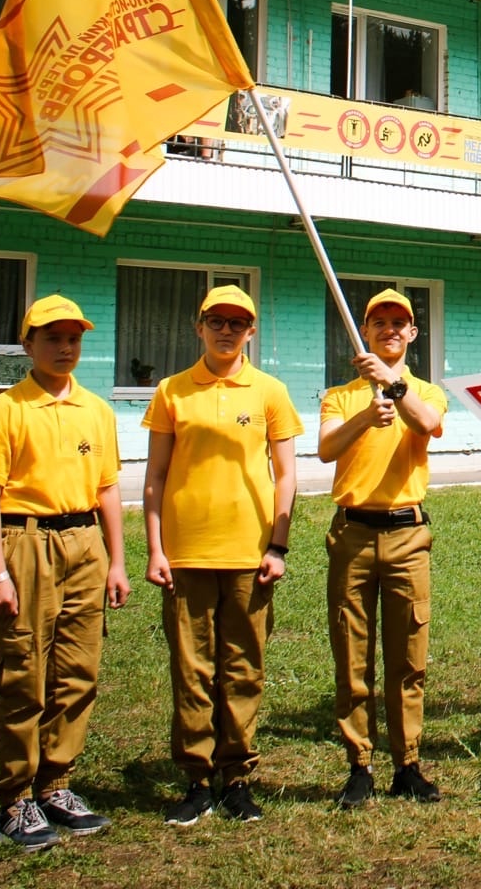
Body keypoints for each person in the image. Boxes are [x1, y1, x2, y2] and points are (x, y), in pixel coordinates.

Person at [0, 295, 129, 851]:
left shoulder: (96, 410)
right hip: (25, 542)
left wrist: (117, 560)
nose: (64, 348)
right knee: (24, 670)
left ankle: (57, 784)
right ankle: (15, 799)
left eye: (74, 338)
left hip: (84, 544)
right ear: (28, 344)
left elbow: (107, 488)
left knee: (79, 669)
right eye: (52, 338)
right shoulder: (7, 409)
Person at [142, 285, 301, 827]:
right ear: (199, 326)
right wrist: (155, 548)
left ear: (251, 331)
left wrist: (278, 546)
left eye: (238, 323)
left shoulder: (270, 392)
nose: (227, 330)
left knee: (243, 668)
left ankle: (237, 778)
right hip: (186, 554)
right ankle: (195, 780)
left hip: (250, 554)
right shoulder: (172, 391)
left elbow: (287, 477)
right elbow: (155, 477)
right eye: (217, 321)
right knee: (192, 670)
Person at [317, 289, 448, 808]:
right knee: (352, 655)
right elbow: (327, 448)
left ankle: (408, 763)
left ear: (412, 333)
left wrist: (393, 387)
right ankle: (359, 765)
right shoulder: (341, 395)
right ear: (365, 332)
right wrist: (364, 417)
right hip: (353, 534)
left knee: (407, 655)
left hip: (407, 534)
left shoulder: (424, 390)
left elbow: (428, 424)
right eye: (380, 322)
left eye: (400, 322)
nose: (390, 329)